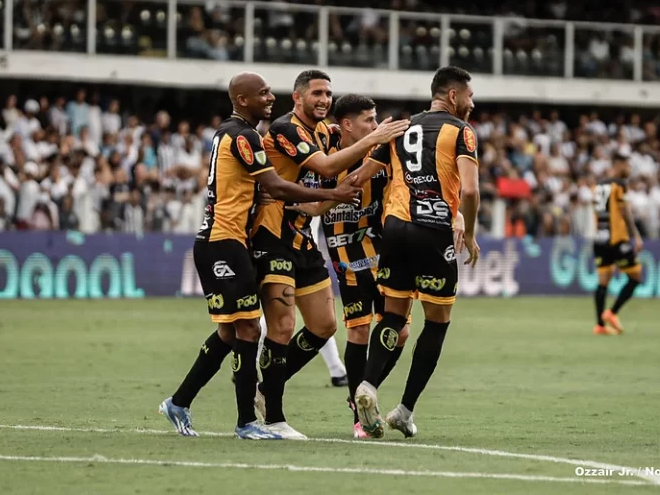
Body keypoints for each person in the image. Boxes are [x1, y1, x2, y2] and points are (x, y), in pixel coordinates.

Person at [158, 71, 363, 440]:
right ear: (242, 100)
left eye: (270, 92)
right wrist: (331, 196)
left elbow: (271, 186)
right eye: (263, 93)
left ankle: (180, 402)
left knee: (229, 331)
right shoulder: (244, 134)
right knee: (250, 327)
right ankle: (246, 422)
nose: (271, 98)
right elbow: (276, 185)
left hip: (234, 240)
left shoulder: (236, 133)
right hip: (226, 240)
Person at [286, 94, 461, 438]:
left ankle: (366, 392)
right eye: (369, 119)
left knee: (401, 332)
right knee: (358, 330)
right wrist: (307, 206)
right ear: (347, 124)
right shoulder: (329, 144)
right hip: (345, 248)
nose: (376, 124)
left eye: (376, 118)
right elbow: (326, 167)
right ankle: (359, 415)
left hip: (383, 247)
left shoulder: (388, 147)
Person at [250, 70, 410, 439]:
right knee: (295, 328)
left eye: (328, 93)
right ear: (298, 97)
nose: (323, 99)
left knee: (327, 326)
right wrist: (376, 141)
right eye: (317, 93)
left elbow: (329, 189)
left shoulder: (327, 133)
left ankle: (351, 391)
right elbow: (327, 172)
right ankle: (275, 409)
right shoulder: (287, 129)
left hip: (315, 242)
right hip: (287, 240)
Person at [344, 66, 482, 438]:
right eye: (469, 96)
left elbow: (358, 177)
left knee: (393, 317)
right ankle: (404, 410)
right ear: (452, 96)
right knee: (436, 323)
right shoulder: (462, 131)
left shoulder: (399, 129)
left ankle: (367, 386)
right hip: (433, 231)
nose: (472, 102)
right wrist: (468, 233)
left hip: (394, 230)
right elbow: (469, 191)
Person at [591, 152, 644, 335]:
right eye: (627, 165)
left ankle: (599, 325)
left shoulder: (598, 185)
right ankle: (612, 313)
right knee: (636, 276)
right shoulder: (619, 185)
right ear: (618, 164)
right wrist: (635, 236)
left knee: (603, 282)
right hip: (616, 240)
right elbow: (625, 211)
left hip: (599, 239)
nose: (628, 169)